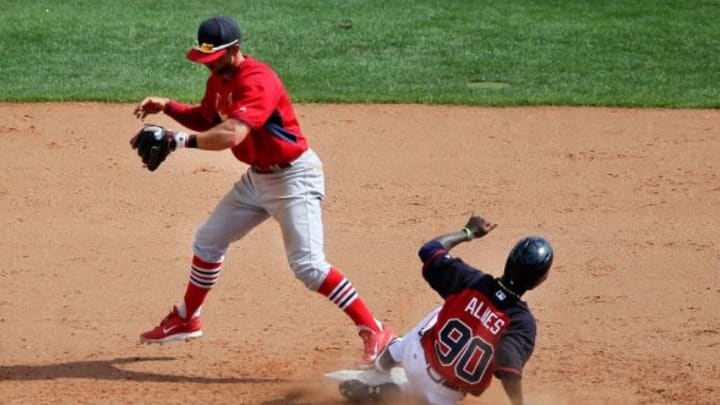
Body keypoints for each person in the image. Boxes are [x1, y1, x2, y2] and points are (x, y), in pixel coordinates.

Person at [130, 15, 393, 366]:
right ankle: (187, 317)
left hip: (294, 179)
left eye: (214, 59)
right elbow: (210, 119)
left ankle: (374, 328)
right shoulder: (218, 81)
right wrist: (169, 106)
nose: (208, 67)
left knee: (309, 267)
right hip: (258, 179)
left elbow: (232, 135)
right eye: (203, 60)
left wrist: (177, 141)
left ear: (235, 50)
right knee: (208, 240)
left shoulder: (258, 80)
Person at [339, 214, 553, 404]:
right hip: (444, 397)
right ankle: (390, 391)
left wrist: (468, 232)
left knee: (444, 311)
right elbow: (508, 369)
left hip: (415, 359)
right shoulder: (522, 323)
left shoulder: (471, 281)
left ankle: (377, 372)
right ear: (539, 280)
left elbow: (430, 250)